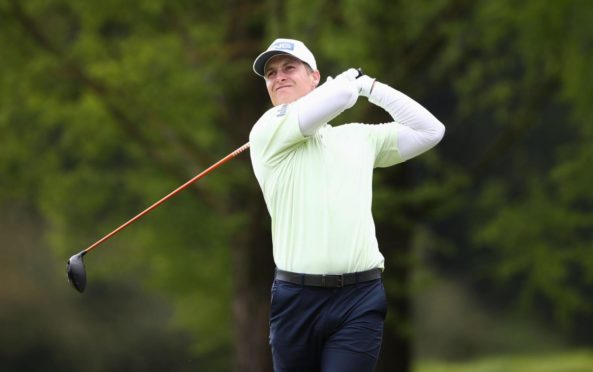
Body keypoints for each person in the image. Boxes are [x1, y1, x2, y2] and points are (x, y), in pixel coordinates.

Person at [248, 38, 445, 372]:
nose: (278, 76)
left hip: (359, 298)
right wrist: (345, 84)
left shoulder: (357, 137)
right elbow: (339, 96)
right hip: (296, 300)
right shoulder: (267, 131)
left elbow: (430, 131)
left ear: (314, 77)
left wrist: (371, 87)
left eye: (289, 67)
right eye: (270, 73)